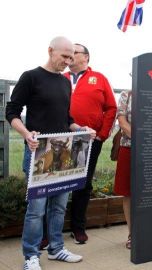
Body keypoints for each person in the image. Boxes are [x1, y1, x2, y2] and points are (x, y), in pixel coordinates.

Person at [5, 36, 96, 270]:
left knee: (58, 206)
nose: (67, 61)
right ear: (50, 51)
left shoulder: (65, 83)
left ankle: (56, 248)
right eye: (64, 56)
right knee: (36, 210)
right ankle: (31, 256)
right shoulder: (31, 77)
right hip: (38, 153)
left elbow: (67, 119)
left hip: (63, 156)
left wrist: (81, 129)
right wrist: (26, 134)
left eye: (71, 58)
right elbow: (12, 112)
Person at [64, 43, 117, 244]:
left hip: (90, 139)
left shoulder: (100, 79)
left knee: (83, 183)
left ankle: (78, 227)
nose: (70, 55)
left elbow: (111, 108)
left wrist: (102, 134)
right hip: (61, 138)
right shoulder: (61, 78)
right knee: (56, 184)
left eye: (74, 52)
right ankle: (49, 232)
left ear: (85, 57)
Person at [113, 90, 132, 249]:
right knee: (128, 192)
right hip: (129, 147)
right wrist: (143, 138)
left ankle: (149, 230)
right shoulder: (127, 95)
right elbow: (122, 121)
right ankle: (132, 234)